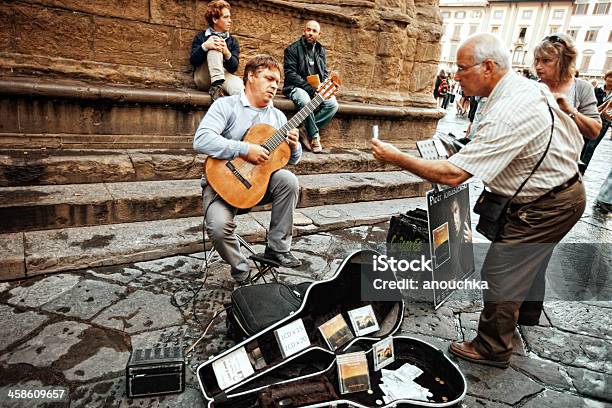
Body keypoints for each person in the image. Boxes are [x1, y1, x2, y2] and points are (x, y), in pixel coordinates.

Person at [371, 33, 585, 368]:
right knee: (530, 259)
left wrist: (396, 157)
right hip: (559, 191)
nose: (455, 76)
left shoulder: (510, 110)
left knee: (502, 270)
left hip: (548, 202)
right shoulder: (523, 88)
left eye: (461, 68)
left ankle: (492, 347)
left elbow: (453, 176)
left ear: (487, 67)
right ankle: (523, 317)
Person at [193, 55, 303, 283]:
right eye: (269, 78)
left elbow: (290, 160)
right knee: (218, 226)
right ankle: (242, 272)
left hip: (257, 187)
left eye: (277, 81)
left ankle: (277, 248)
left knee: (288, 180)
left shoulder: (278, 116)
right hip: (221, 185)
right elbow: (201, 140)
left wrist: (294, 145)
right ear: (250, 77)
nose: (274, 85)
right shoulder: (226, 105)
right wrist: (243, 149)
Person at [533, 34, 602, 173]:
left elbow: (594, 131)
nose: (538, 66)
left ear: (564, 61)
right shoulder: (531, 87)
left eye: (546, 61)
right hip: (528, 168)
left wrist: (569, 109)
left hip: (561, 172)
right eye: (537, 60)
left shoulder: (582, 88)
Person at [283, 20, 338, 154]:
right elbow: (290, 74)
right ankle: (314, 137)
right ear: (304, 31)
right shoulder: (292, 49)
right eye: (308, 30)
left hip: (315, 88)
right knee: (306, 101)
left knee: (333, 104)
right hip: (296, 87)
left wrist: (325, 87)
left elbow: (324, 72)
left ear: (319, 34)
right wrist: (310, 89)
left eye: (314, 31)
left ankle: (304, 130)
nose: (310, 33)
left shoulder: (321, 50)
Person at [190, 0, 244, 100]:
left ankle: (240, 112)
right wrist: (205, 46)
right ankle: (216, 87)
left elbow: (233, 68)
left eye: (230, 17)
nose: (230, 20)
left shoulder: (232, 41)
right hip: (204, 78)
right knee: (214, 44)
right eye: (226, 17)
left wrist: (226, 52)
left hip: (224, 76)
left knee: (240, 89)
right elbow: (193, 61)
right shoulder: (201, 37)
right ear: (215, 19)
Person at [581, 70, 612, 169]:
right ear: (605, 78)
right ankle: (576, 164)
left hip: (604, 122)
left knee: (591, 146)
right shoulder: (596, 90)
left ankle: (582, 168)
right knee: (584, 143)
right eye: (609, 77)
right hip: (591, 119)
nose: (611, 79)